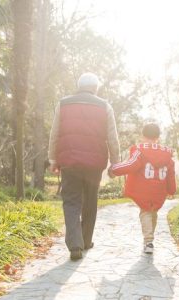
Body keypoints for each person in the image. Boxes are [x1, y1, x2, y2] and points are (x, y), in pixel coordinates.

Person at [48, 73, 120, 261]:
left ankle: (75, 245)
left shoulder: (63, 104)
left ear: (78, 86)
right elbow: (112, 137)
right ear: (95, 88)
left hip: (69, 161)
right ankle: (86, 241)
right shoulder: (105, 106)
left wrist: (53, 159)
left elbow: (55, 134)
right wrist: (115, 162)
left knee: (71, 201)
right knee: (90, 200)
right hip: (94, 163)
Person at [109, 124, 176, 254]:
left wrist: (114, 169)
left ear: (143, 136)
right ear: (158, 137)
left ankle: (148, 241)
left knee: (145, 211)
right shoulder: (167, 153)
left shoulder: (139, 150)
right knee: (153, 212)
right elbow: (171, 173)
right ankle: (149, 240)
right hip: (159, 190)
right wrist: (171, 190)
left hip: (144, 189)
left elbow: (130, 165)